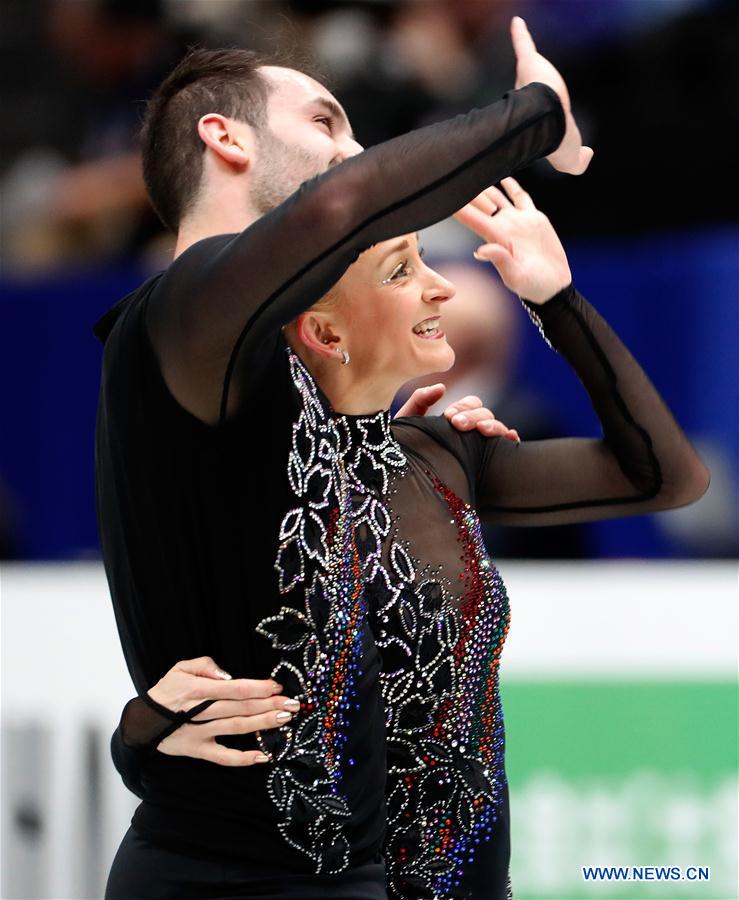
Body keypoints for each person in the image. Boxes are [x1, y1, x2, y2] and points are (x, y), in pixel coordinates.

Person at [95, 16, 707, 900]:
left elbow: (662, 475)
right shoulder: (179, 315)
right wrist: (534, 113)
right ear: (222, 137)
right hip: (234, 873)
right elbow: (345, 209)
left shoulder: (366, 424)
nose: (355, 151)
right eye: (326, 122)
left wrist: (556, 300)